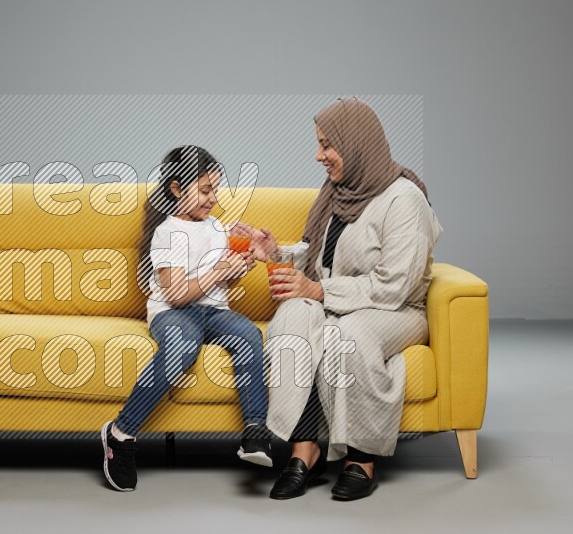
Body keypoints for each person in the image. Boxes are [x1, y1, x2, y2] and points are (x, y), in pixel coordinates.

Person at [241, 97, 443, 501]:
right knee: (292, 316)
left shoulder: (404, 200)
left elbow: (395, 285)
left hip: (396, 309)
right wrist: (276, 254)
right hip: (342, 299)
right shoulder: (337, 192)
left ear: (356, 143)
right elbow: (321, 263)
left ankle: (361, 458)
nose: (319, 155)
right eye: (319, 144)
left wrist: (318, 291)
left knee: (349, 333)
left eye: (327, 145)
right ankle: (303, 449)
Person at [101, 145, 274, 492]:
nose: (213, 198)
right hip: (173, 313)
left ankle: (255, 431)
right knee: (184, 345)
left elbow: (223, 280)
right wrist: (219, 270)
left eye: (215, 189)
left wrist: (247, 260)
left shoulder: (215, 227)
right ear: (177, 189)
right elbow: (177, 294)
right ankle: (120, 434)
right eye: (205, 190)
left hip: (213, 311)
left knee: (250, 336)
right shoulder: (168, 232)